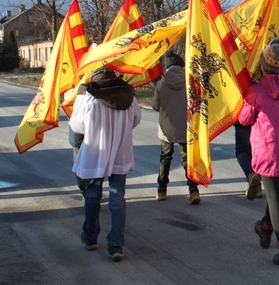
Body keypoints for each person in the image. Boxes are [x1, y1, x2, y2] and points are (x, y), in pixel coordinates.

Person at [238, 37, 279, 268]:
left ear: (264, 64)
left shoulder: (255, 92)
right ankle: (265, 228)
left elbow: (244, 119)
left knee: (275, 199)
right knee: (274, 193)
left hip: (266, 150)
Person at [69, 66, 141, 262]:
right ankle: (116, 245)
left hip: (95, 152)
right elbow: (136, 120)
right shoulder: (129, 95)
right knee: (117, 198)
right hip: (120, 151)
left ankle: (91, 237)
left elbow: (77, 126)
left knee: (92, 195)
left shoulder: (88, 97)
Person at [152, 51, 201, 204]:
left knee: (165, 157)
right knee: (187, 158)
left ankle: (162, 190)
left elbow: (154, 106)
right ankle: (193, 190)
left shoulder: (161, 84)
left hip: (166, 128)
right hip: (185, 127)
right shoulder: (189, 82)